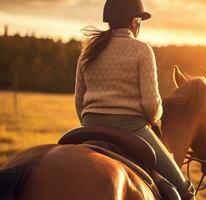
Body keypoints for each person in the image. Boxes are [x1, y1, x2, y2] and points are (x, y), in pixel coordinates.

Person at [74, 0, 195, 199]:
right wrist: (157, 117)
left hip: (89, 126)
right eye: (139, 20)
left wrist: (92, 122)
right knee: (182, 188)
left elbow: (79, 101)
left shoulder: (88, 51)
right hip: (131, 129)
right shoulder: (142, 50)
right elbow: (151, 106)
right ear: (134, 22)